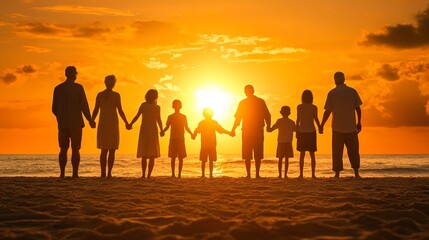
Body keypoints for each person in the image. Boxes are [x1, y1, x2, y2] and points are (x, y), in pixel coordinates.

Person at [52, 66, 96, 178]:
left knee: (63, 149)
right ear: (75, 75)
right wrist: (90, 120)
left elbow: (54, 108)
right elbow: (84, 106)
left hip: (63, 123)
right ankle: (75, 174)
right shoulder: (79, 88)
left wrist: (61, 117)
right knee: (75, 149)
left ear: (66, 74)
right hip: (76, 123)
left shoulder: (58, 89)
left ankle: (62, 174)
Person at [320, 72, 363, 178]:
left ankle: (337, 174)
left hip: (337, 127)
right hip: (351, 126)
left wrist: (321, 125)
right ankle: (356, 173)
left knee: (337, 152)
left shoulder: (332, 93)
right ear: (344, 80)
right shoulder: (352, 91)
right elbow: (358, 108)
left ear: (335, 80)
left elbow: (328, 111)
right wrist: (359, 122)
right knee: (353, 151)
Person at [91, 75, 129, 178]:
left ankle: (103, 173)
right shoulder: (116, 95)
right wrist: (126, 122)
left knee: (104, 150)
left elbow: (95, 110)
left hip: (104, 123)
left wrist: (92, 120)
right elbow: (120, 110)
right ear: (113, 83)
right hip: (112, 123)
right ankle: (108, 173)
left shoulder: (100, 94)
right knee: (111, 150)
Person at [231, 85, 271, 178]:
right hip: (257, 131)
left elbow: (237, 119)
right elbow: (268, 116)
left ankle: (249, 174)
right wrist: (268, 126)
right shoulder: (260, 101)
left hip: (247, 131)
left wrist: (233, 130)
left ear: (246, 92)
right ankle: (256, 174)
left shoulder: (243, 103)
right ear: (253, 91)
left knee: (247, 154)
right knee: (257, 153)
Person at [128, 89, 163, 178]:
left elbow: (137, 116)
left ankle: (144, 174)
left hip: (145, 129)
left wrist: (130, 124)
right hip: (152, 129)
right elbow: (159, 120)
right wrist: (161, 130)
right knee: (151, 154)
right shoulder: (156, 107)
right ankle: (148, 175)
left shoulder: (144, 105)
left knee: (145, 153)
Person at [192, 108, 232, 178]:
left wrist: (194, 135)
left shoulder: (203, 123)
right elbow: (221, 130)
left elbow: (197, 130)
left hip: (207, 144)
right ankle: (209, 175)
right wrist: (229, 133)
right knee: (209, 161)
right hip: (210, 144)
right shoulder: (212, 122)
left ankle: (204, 175)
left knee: (204, 161)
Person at [161, 100, 193, 178]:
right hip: (175, 139)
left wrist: (192, 134)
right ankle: (175, 174)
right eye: (176, 105)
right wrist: (162, 131)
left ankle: (177, 174)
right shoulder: (171, 117)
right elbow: (167, 127)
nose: (177, 106)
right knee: (175, 157)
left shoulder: (181, 117)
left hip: (178, 139)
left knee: (177, 157)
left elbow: (186, 127)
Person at [296, 90, 321, 178]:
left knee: (302, 154)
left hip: (302, 131)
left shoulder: (299, 107)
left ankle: (301, 174)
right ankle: (313, 174)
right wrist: (320, 127)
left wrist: (296, 130)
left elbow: (298, 120)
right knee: (312, 154)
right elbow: (316, 119)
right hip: (311, 131)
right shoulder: (314, 107)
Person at [268, 106, 296, 178]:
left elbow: (272, 129)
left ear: (281, 113)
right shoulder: (292, 122)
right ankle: (285, 174)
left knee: (280, 159)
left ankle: (280, 174)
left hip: (281, 142)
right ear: (289, 113)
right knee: (287, 159)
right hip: (288, 142)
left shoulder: (279, 121)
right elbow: (296, 130)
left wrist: (268, 128)